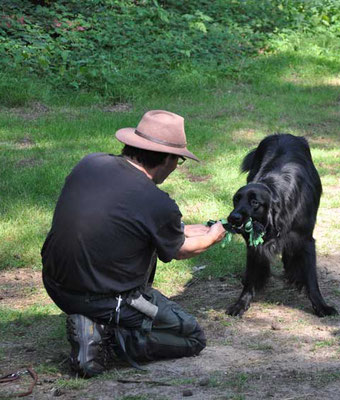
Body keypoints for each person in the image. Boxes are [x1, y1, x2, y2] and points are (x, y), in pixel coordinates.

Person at [41, 110, 226, 377]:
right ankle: (104, 335)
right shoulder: (156, 202)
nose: (176, 168)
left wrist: (188, 228)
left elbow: (125, 223)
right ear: (167, 159)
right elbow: (182, 250)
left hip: (57, 286)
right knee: (192, 337)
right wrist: (212, 236)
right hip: (107, 299)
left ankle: (92, 320)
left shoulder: (90, 163)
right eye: (179, 161)